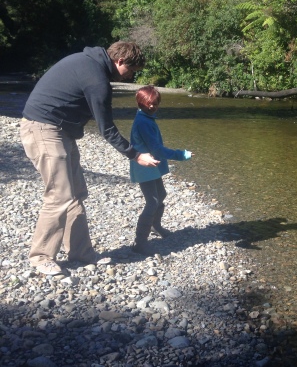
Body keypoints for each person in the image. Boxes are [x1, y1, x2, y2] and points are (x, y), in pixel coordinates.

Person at [20, 41, 160, 276]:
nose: (130, 76)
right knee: (60, 195)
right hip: (43, 128)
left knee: (76, 193)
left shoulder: (88, 62)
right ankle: (41, 256)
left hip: (58, 129)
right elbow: (107, 129)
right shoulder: (97, 80)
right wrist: (135, 155)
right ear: (120, 61)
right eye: (132, 71)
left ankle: (81, 252)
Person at [129, 85, 193, 256]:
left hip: (151, 166)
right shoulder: (143, 122)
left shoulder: (146, 118)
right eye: (149, 103)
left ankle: (155, 226)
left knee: (161, 195)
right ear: (140, 102)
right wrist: (180, 154)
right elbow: (157, 149)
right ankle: (139, 242)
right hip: (145, 166)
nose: (153, 107)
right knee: (152, 201)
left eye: (156, 103)